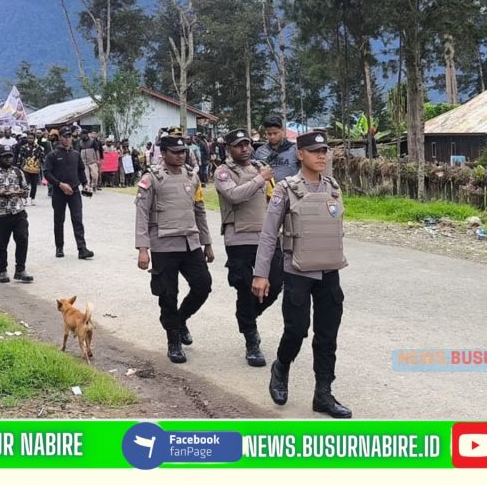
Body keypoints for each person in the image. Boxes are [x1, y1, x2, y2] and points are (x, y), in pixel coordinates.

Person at [252, 131, 352, 419]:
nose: (321, 156)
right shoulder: (285, 189)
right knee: (296, 330)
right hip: (296, 271)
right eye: (314, 151)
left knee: (327, 336)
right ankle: (281, 366)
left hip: (329, 271)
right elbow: (269, 235)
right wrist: (261, 274)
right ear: (300, 154)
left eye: (324, 151)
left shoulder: (333, 187)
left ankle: (323, 394)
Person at [135, 135, 214, 364]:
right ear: (164, 153)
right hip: (164, 244)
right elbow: (142, 214)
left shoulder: (192, 177)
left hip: (190, 242)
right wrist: (143, 248)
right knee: (168, 294)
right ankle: (173, 341)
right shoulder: (151, 179)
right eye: (175, 152)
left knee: (203, 286)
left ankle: (180, 321)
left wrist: (207, 243)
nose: (180, 155)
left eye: (183, 152)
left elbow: (199, 210)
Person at [215, 128, 282, 367]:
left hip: (266, 236)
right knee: (245, 288)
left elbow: (273, 198)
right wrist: (259, 179)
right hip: (239, 238)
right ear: (229, 149)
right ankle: (251, 340)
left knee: (276, 283)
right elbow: (234, 195)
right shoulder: (223, 172)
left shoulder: (259, 167)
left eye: (247, 144)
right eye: (239, 145)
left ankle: (247, 319)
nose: (245, 148)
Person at [43, 126, 95, 259]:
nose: (68, 139)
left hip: (74, 191)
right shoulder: (53, 155)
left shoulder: (75, 154)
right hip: (59, 192)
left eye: (69, 136)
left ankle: (82, 248)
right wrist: (59, 184)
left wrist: (85, 184)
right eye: (65, 136)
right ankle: (59, 247)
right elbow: (47, 173)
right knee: (59, 220)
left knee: (77, 219)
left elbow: (81, 171)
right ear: (60, 137)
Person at [0, 147, 34, 283]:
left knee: (22, 238)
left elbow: (26, 190)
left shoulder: (18, 171)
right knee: (2, 243)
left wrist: (21, 193)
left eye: (10, 156)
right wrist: (1, 194)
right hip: (1, 214)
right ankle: (2, 271)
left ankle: (20, 269)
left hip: (18, 212)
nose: (8, 159)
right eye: (4, 156)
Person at [253, 115, 299, 182]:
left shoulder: (295, 149)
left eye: (275, 133)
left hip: (290, 189)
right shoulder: (260, 151)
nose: (272, 137)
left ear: (282, 131)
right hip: (268, 190)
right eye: (269, 134)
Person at [17, 132, 46, 206]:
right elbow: (20, 157)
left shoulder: (39, 147)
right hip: (26, 168)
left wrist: (44, 165)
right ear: (27, 138)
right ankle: (25, 198)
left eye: (32, 138)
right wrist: (18, 166)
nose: (30, 139)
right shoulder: (23, 147)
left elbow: (42, 158)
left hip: (35, 168)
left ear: (34, 138)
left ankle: (33, 198)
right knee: (25, 184)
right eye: (29, 138)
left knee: (34, 185)